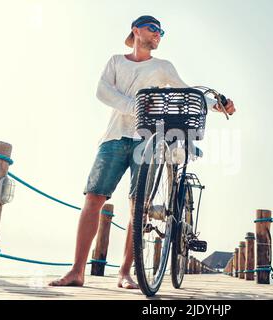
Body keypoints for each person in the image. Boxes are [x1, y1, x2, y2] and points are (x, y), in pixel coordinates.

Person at [49, 15, 236, 289]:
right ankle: (77, 271)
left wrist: (217, 104)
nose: (158, 34)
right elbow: (102, 91)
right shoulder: (116, 61)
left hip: (146, 139)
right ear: (136, 30)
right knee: (93, 198)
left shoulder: (163, 66)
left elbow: (187, 93)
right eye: (153, 29)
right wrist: (134, 107)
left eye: (162, 31)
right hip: (113, 137)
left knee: (139, 207)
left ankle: (125, 272)